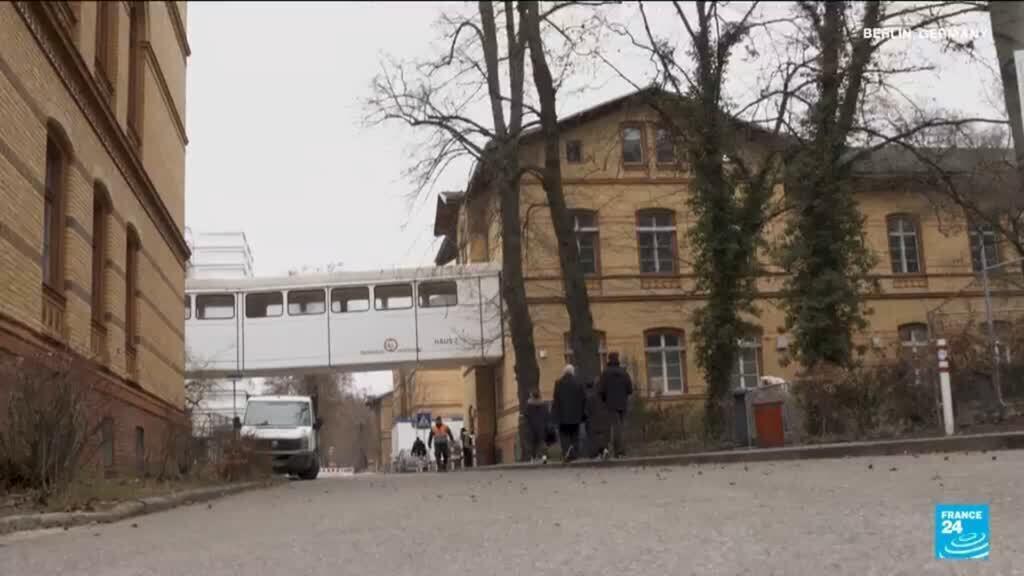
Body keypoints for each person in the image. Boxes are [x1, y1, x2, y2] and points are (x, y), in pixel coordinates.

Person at [599, 352, 633, 458]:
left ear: (609, 359)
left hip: (610, 404)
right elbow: (630, 389)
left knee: (615, 427)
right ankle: (621, 451)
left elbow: (601, 390)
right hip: (623, 403)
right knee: (621, 427)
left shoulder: (605, 373)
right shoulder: (624, 372)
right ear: (617, 359)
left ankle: (618, 451)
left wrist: (604, 400)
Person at [551, 364, 585, 462]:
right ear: (572, 372)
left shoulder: (558, 383)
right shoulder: (578, 383)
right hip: (576, 415)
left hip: (562, 415)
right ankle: (574, 453)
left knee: (564, 435)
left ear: (564, 372)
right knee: (575, 435)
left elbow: (556, 400)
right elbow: (583, 398)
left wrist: (555, 415)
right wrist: (582, 413)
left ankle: (566, 451)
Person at [525, 389, 549, 464]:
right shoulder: (544, 405)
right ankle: (544, 459)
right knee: (543, 443)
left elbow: (526, 416)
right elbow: (547, 415)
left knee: (533, 444)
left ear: (532, 396)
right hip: (541, 426)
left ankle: (532, 459)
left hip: (532, 427)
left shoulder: (529, 405)